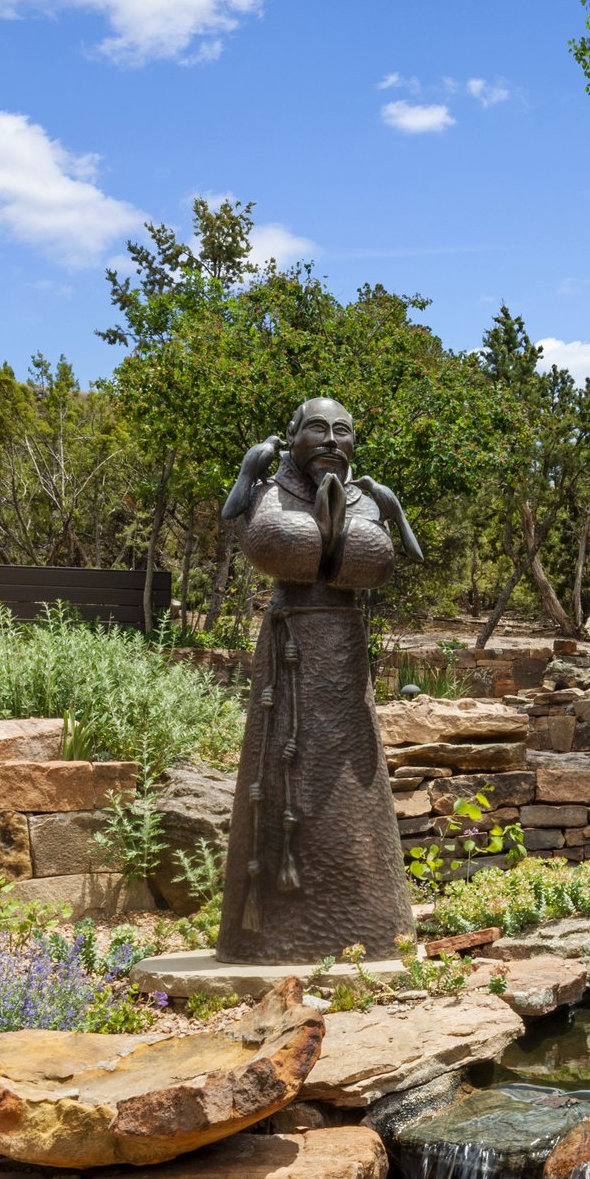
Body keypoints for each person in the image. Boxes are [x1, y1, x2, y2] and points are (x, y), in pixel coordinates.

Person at [215, 398, 422, 962]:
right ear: (293, 436)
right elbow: (241, 520)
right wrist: (248, 471)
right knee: (283, 778)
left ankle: (369, 926)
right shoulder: (271, 488)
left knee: (351, 789)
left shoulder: (367, 497)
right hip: (289, 649)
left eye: (343, 431)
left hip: (344, 652)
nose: (331, 440)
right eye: (317, 429)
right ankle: (270, 938)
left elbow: (407, 552)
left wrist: (393, 512)